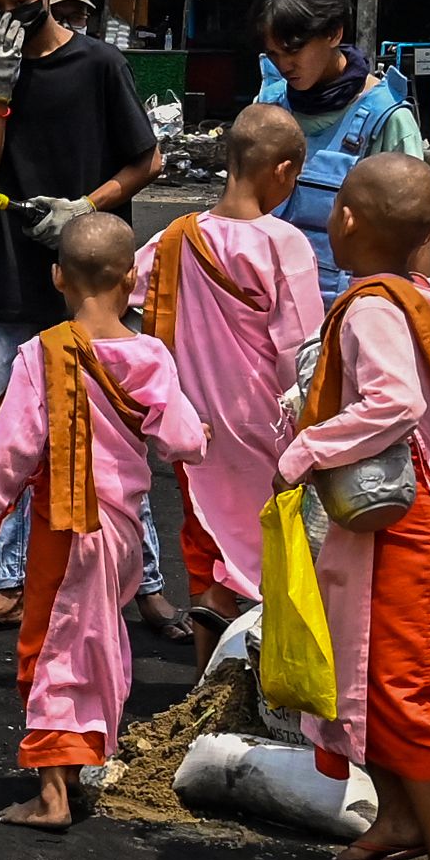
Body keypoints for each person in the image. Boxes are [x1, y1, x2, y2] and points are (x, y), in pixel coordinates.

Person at [0, 0, 165, 639]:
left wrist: (83, 208)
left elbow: (146, 160)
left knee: (114, 438)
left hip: (94, 286)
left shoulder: (97, 65)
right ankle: (7, 585)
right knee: (4, 437)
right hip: (6, 274)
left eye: (22, 2)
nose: (10, 17)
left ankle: (145, 586)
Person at [0, 212, 209, 830]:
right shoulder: (150, 354)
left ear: (58, 276)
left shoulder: (41, 354)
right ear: (130, 277)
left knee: (52, 647)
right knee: (97, 639)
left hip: (67, 529)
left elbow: (12, 453)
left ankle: (53, 794)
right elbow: (181, 439)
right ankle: (81, 758)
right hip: (124, 535)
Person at [277, 151, 430, 860]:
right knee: (377, 671)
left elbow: (394, 400)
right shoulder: (419, 296)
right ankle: (399, 817)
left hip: (404, 520)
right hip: (419, 508)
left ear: (348, 219)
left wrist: (306, 448)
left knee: (398, 687)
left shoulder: (370, 307)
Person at [135, 103, 320, 659]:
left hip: (199, 427)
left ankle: (204, 689)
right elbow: (301, 352)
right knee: (282, 546)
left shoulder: (177, 238)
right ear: (284, 171)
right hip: (270, 427)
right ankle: (274, 683)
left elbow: (127, 285)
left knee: (206, 543)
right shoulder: (283, 243)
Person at [257, 0, 422, 302]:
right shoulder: (267, 107)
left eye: (293, 50)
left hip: (351, 321)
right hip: (267, 321)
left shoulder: (388, 119)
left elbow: (417, 238)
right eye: (274, 54)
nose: (284, 65)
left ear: (333, 34)